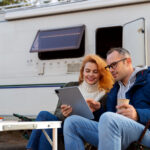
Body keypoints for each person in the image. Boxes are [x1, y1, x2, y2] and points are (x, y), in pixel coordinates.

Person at [64, 47, 150, 150]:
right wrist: (98, 110)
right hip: (116, 132)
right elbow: (108, 120)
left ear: (128, 61)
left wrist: (138, 114)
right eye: (108, 66)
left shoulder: (147, 79)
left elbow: (109, 119)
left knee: (108, 117)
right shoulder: (114, 88)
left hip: (145, 132)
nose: (110, 70)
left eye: (114, 65)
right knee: (71, 122)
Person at [26, 54, 114, 150]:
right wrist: (65, 114)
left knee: (48, 126)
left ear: (101, 73)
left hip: (83, 127)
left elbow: (104, 120)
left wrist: (98, 109)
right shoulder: (70, 86)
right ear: (82, 72)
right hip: (64, 123)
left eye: (95, 72)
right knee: (44, 115)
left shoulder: (105, 94)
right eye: (87, 71)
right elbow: (57, 113)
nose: (90, 75)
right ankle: (30, 148)